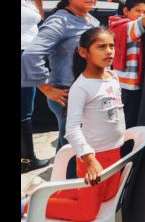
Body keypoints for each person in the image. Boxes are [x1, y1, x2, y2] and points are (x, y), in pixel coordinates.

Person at [22, 27, 126, 221]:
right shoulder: (81, 87)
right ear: (83, 52)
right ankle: (28, 203)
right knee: (86, 213)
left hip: (115, 154)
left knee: (107, 196)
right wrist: (89, 160)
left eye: (112, 46)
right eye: (102, 47)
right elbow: (71, 129)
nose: (109, 51)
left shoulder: (113, 77)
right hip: (94, 158)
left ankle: (48, 195)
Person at [21, 0, 101, 151]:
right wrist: (47, 89)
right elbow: (31, 56)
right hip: (68, 96)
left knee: (68, 149)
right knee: (73, 152)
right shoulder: (60, 21)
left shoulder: (92, 21)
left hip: (87, 94)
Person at [109, 0, 145, 129]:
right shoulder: (128, 26)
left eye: (144, 11)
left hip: (120, 81)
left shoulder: (116, 24)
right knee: (127, 123)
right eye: (137, 10)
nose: (141, 14)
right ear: (125, 11)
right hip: (128, 85)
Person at [21, 0, 50, 173]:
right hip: (23, 57)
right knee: (25, 111)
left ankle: (27, 158)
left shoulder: (31, 1)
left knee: (25, 111)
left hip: (29, 57)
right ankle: (27, 160)